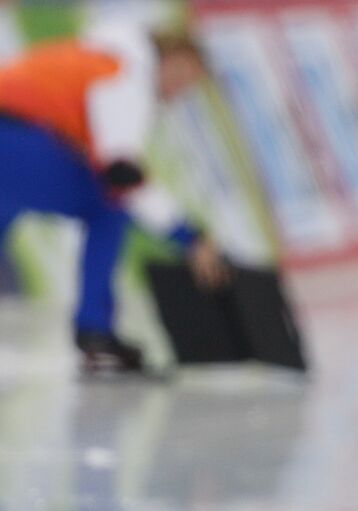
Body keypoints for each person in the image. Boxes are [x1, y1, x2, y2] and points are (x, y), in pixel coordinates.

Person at [0, 24, 230, 374]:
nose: (180, 87)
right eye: (181, 73)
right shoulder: (126, 74)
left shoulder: (94, 56)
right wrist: (190, 238)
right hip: (14, 138)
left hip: (17, 135)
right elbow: (121, 172)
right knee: (108, 205)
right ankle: (95, 331)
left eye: (190, 85)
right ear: (164, 57)